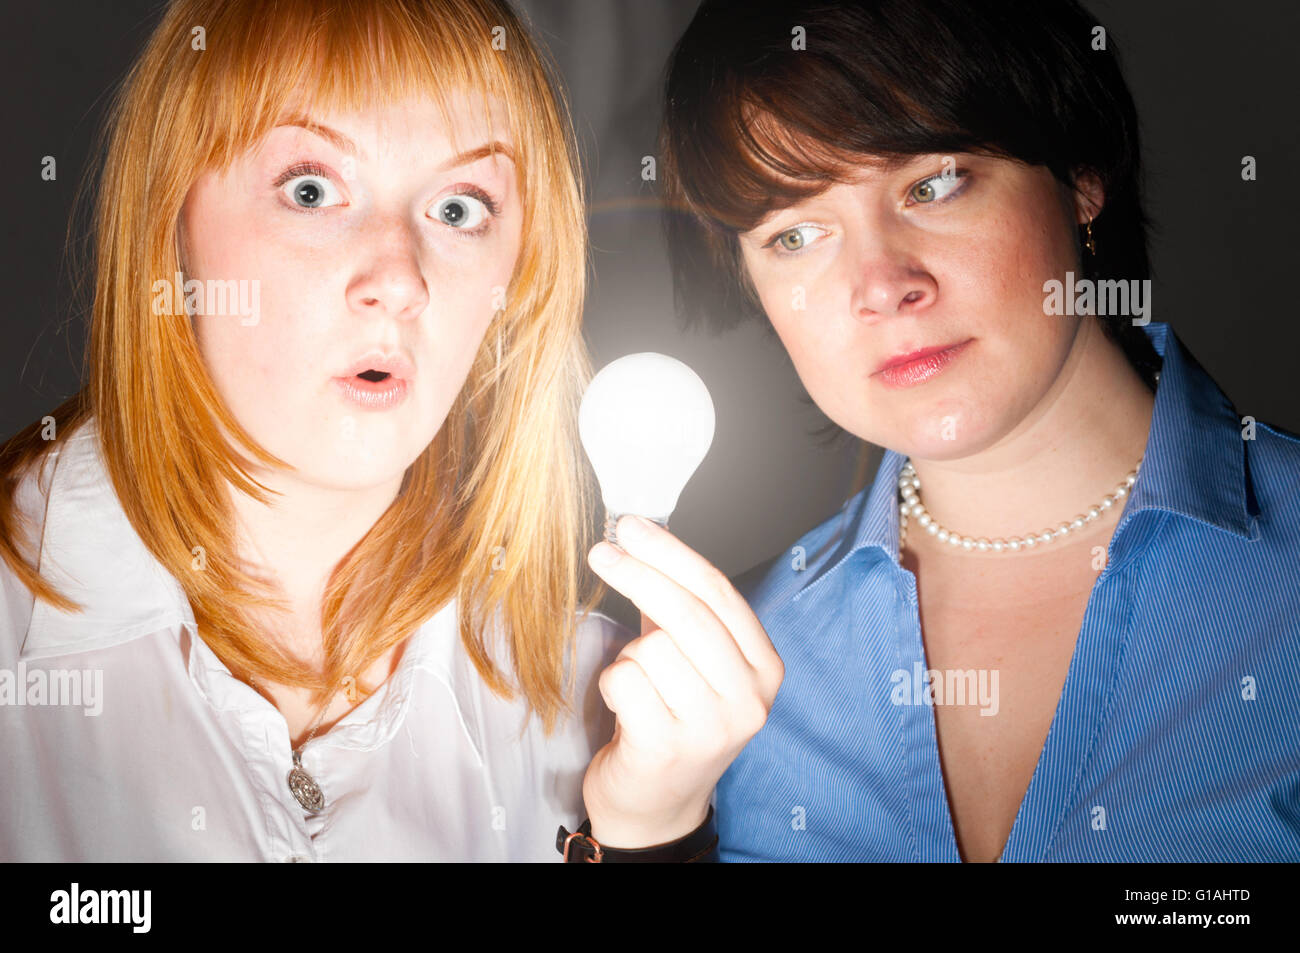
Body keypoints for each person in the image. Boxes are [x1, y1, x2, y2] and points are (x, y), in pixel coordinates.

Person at [0, 0, 781, 862]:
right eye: (311, 189)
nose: (398, 278)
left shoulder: (600, 701)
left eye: (457, 209)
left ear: (515, 278)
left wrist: (650, 835)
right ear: (172, 224)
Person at [659, 0, 1300, 861]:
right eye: (797, 235)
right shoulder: (717, 677)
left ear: (1079, 176)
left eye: (932, 185)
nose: (881, 285)